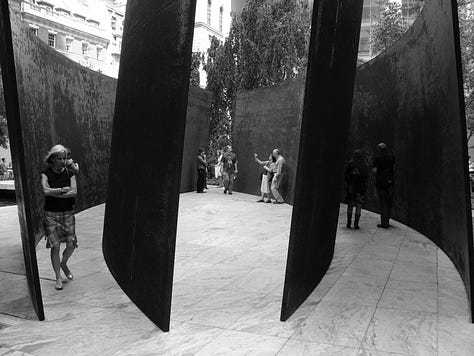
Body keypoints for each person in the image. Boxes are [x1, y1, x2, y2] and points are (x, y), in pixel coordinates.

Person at [41, 144, 78, 290]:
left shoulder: (70, 173)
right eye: (60, 158)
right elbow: (45, 191)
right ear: (52, 159)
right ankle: (58, 276)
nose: (63, 161)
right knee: (55, 246)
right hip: (51, 214)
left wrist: (54, 192)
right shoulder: (45, 173)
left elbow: (74, 192)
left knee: (71, 245)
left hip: (68, 213)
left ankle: (63, 264)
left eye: (65, 158)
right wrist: (63, 190)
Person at [372, 142, 395, 228]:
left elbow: (374, 171)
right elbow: (394, 167)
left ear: (379, 149)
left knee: (383, 202)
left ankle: (384, 222)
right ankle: (388, 220)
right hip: (390, 181)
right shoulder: (391, 157)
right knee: (389, 201)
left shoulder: (377, 158)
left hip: (381, 182)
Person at [344, 150, 369, 229]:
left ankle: (348, 223)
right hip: (360, 188)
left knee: (350, 204)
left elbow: (346, 175)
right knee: (358, 205)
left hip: (351, 187)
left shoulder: (350, 164)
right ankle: (356, 224)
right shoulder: (364, 165)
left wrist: (348, 183)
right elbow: (366, 177)